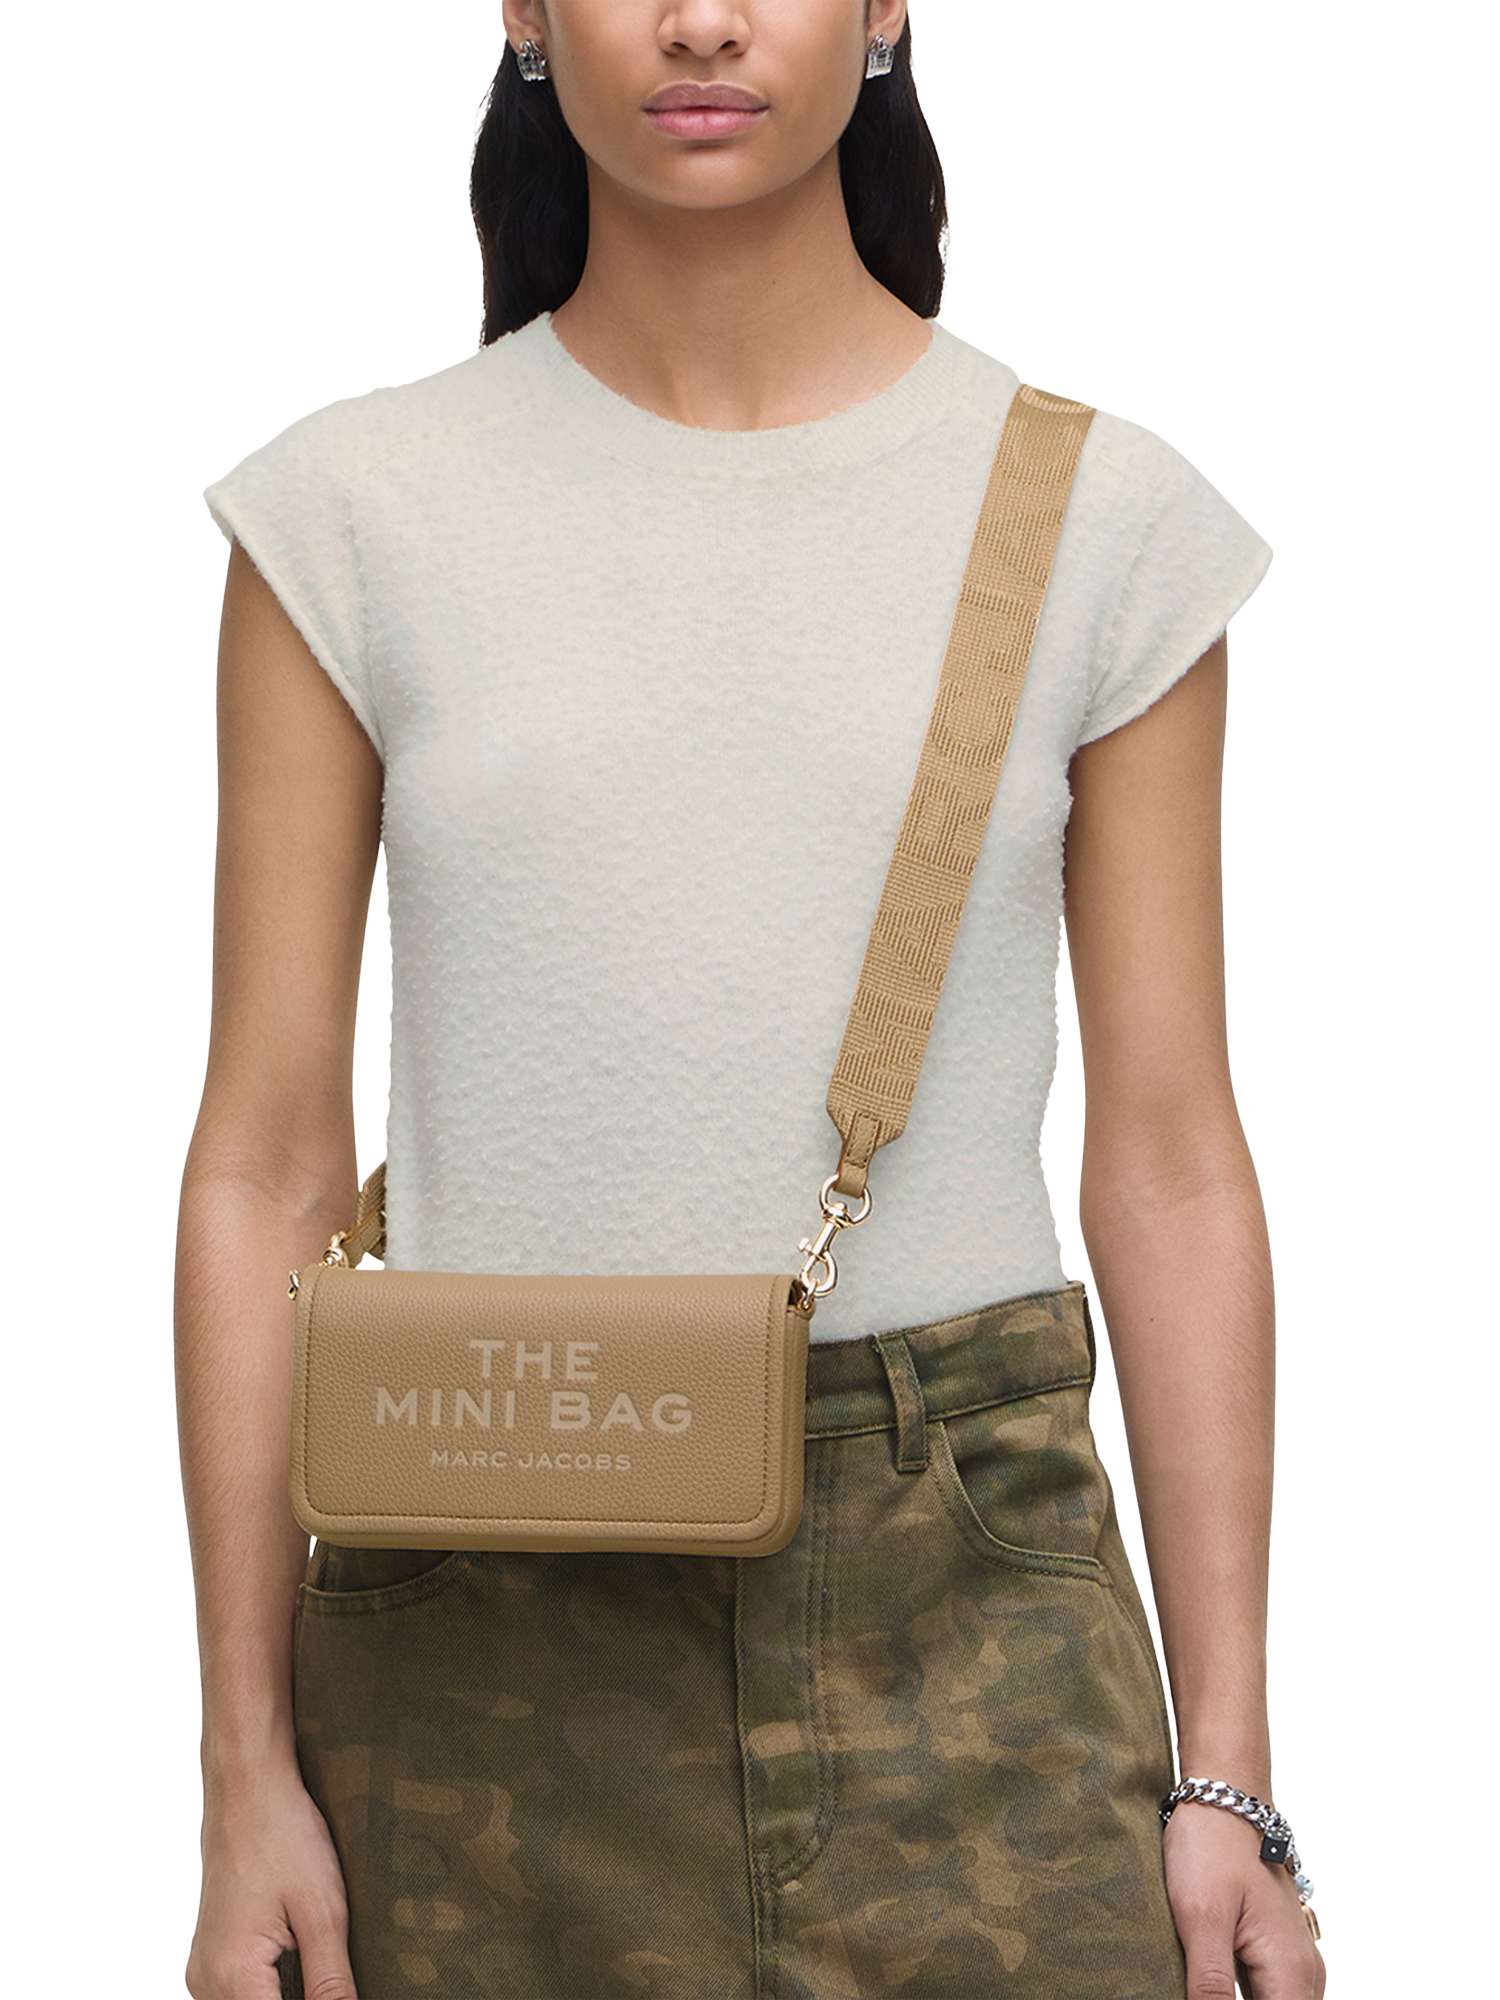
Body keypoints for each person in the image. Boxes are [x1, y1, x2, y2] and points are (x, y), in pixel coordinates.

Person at [175, 5, 1325, 1997]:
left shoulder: (1101, 516)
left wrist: (1228, 1774)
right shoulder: (350, 513)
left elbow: (1170, 1162)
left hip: (973, 1605)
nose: (702, 19)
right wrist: (238, 1772)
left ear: (887, 4)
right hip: (478, 1611)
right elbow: (265, 1161)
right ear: (523, 11)